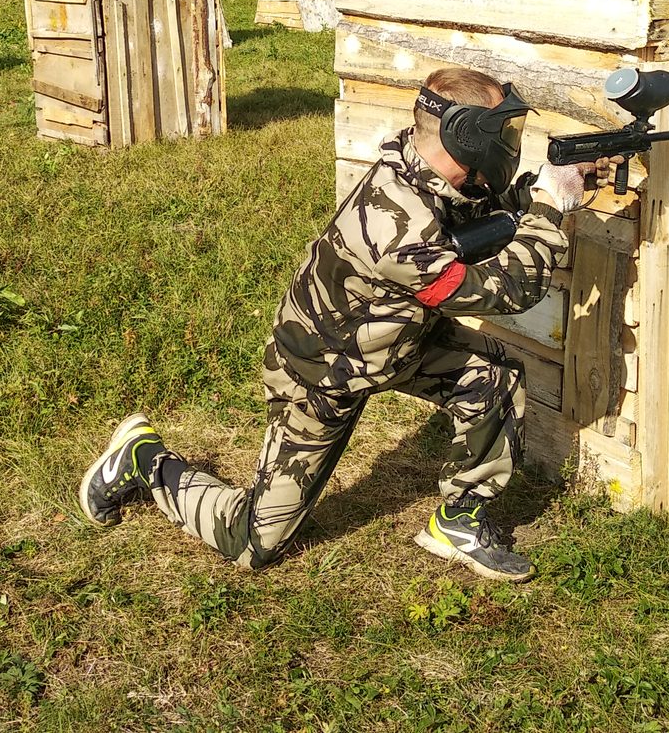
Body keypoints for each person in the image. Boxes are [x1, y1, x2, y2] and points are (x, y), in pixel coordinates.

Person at [77, 67, 610, 581]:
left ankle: (458, 520)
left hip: (394, 342)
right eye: (500, 132)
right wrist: (547, 207)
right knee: (254, 544)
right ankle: (145, 460)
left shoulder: (418, 166)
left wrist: (532, 190)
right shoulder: (397, 230)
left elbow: (475, 215)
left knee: (494, 376)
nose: (508, 142)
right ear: (466, 139)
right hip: (321, 373)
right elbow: (508, 289)